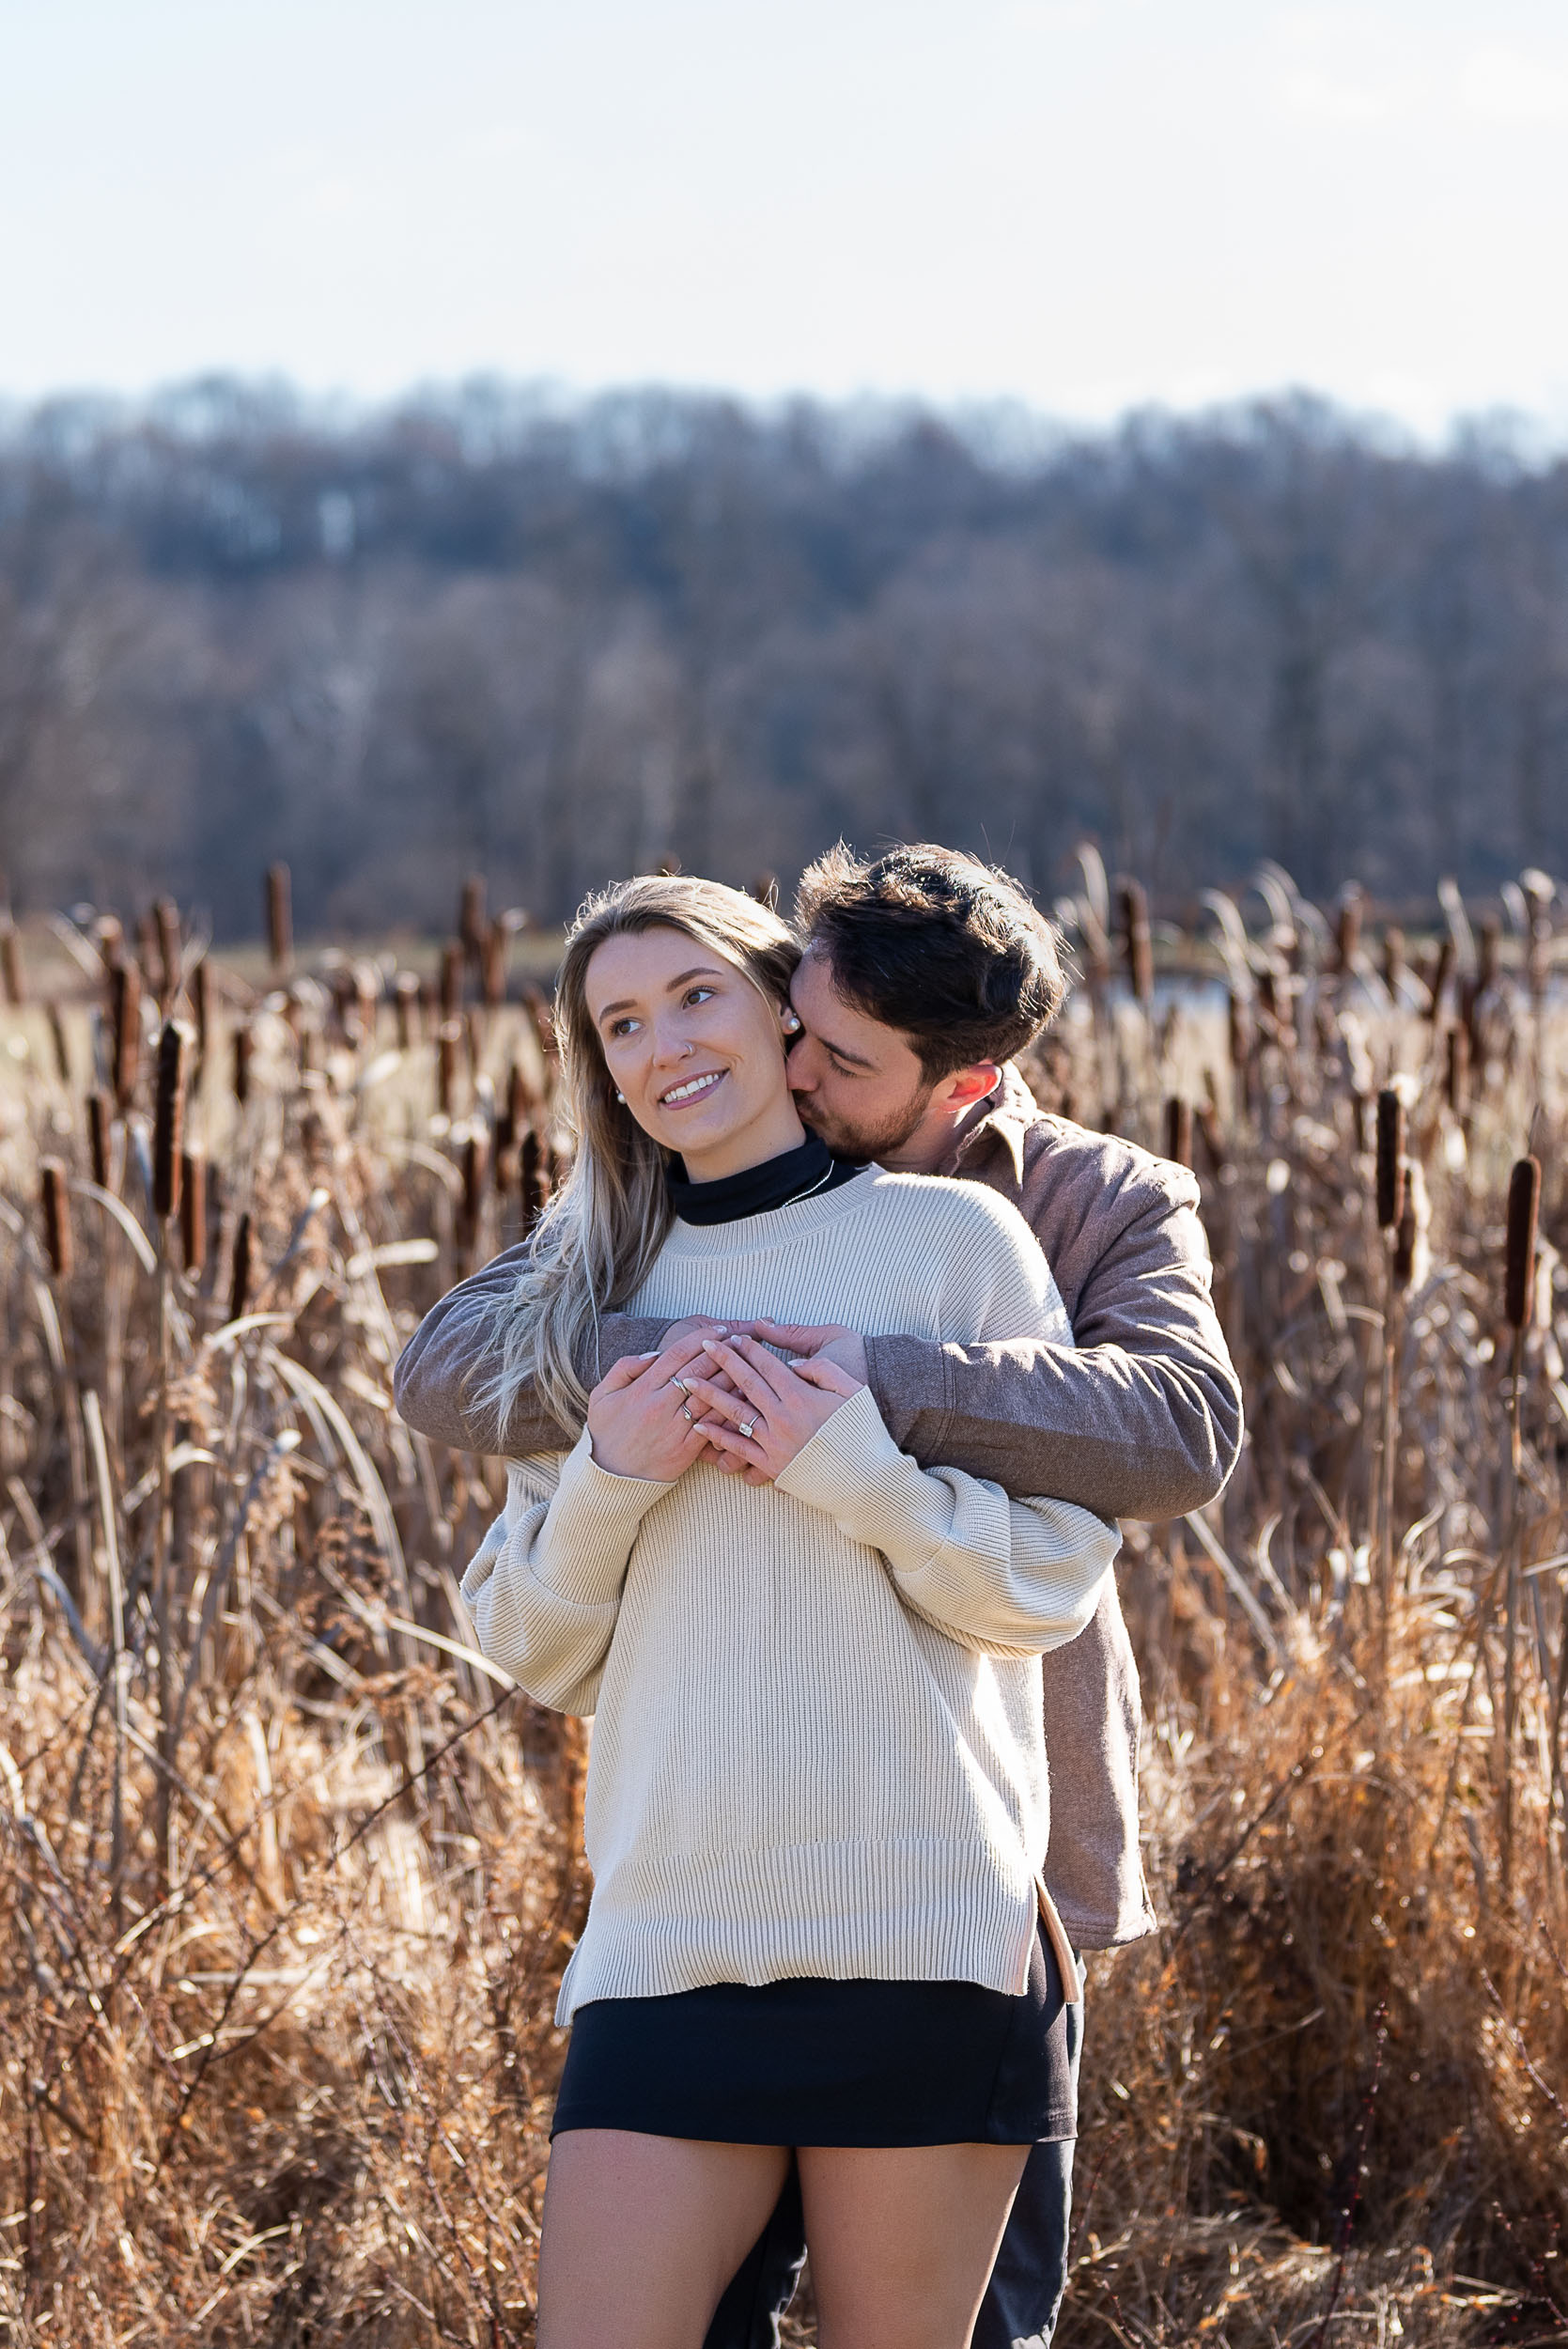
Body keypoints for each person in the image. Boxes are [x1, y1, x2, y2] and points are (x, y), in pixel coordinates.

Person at [395, 845, 1245, 2349]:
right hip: (673, 1931)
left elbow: (1156, 1458)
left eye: (711, 1003)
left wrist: (852, 1416)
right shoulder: (597, 1275)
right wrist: (621, 1430)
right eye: (620, 1024)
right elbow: (499, 1539)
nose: (696, 1049)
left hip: (938, 1907)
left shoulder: (1020, 1222)